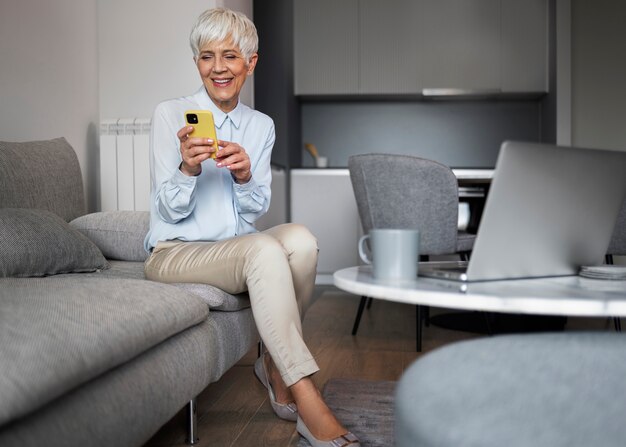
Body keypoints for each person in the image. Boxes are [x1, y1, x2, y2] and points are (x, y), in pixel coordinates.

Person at [143, 8, 360, 447]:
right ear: (196, 63)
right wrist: (187, 169)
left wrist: (243, 177)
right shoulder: (171, 115)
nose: (218, 67)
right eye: (207, 56)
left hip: (232, 246)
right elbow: (167, 210)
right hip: (176, 252)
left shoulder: (261, 126)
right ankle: (303, 391)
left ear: (251, 61)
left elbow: (257, 206)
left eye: (230, 55)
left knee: (300, 240)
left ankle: (275, 365)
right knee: (263, 249)